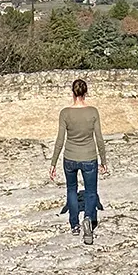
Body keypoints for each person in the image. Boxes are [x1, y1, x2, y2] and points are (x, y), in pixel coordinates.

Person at [49, 78, 108, 245]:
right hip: (89, 157)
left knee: (72, 189)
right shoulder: (93, 112)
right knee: (91, 192)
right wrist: (103, 160)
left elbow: (60, 139)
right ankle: (88, 218)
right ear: (85, 92)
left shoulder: (65, 113)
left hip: (70, 157)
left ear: (72, 92)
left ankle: (74, 224)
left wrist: (53, 163)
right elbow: (99, 138)